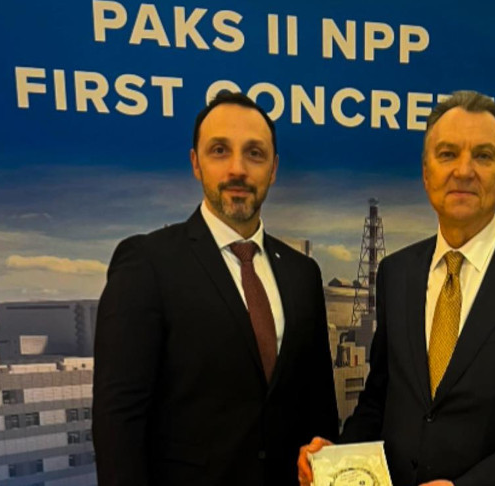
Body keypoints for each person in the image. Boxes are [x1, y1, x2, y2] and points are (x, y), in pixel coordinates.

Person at [297, 90, 495, 486]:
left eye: (483, 156)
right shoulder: (396, 273)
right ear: (426, 175)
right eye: (447, 154)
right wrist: (335, 460)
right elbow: (380, 400)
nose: (463, 170)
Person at [92, 91, 338, 486]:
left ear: (273, 169)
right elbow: (118, 421)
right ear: (196, 163)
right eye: (220, 150)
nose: (237, 169)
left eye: (254, 153)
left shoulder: (302, 273)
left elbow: (320, 409)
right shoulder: (146, 263)